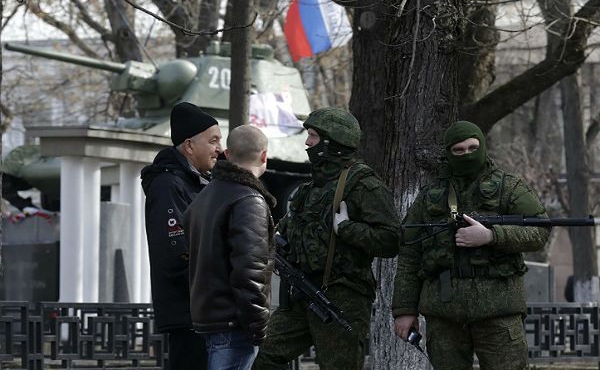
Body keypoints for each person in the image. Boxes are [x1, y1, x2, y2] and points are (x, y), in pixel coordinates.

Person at [392, 120, 550, 370]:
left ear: (483, 146)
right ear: (448, 153)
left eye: (472, 147)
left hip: (498, 312)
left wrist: (491, 236)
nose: (467, 154)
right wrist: (404, 309)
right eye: (459, 150)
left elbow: (539, 230)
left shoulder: (508, 188)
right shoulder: (430, 196)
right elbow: (410, 253)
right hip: (444, 314)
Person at [253, 108, 400, 370]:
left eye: (313, 136)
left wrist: (347, 229)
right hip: (301, 293)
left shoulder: (363, 185)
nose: (307, 142)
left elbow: (390, 240)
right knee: (263, 356)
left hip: (341, 299)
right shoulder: (311, 187)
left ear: (332, 142)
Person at [185, 125, 276, 370]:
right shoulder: (249, 199)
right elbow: (250, 270)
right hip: (235, 325)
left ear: (227, 153)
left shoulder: (204, 196)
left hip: (210, 319)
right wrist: (259, 328)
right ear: (264, 156)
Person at [141, 102, 222, 370]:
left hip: (203, 309)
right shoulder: (168, 185)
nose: (219, 149)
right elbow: (178, 252)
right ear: (189, 146)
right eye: (213, 141)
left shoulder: (195, 182)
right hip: (189, 311)